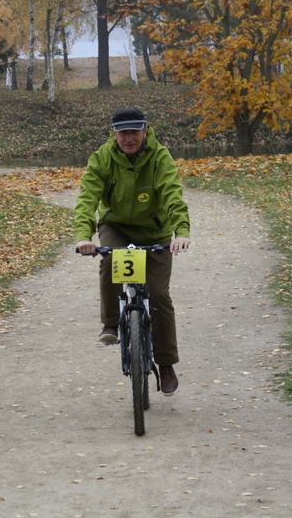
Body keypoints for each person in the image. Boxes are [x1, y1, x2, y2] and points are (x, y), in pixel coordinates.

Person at [73, 107, 191, 396]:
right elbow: (87, 197)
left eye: (134, 132)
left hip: (155, 232)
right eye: (123, 133)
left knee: (160, 295)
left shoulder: (159, 156)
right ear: (114, 134)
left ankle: (165, 364)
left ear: (145, 131)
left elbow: (172, 193)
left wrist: (181, 232)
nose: (128, 138)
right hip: (117, 226)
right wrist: (83, 237)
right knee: (108, 260)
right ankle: (111, 323)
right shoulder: (102, 158)